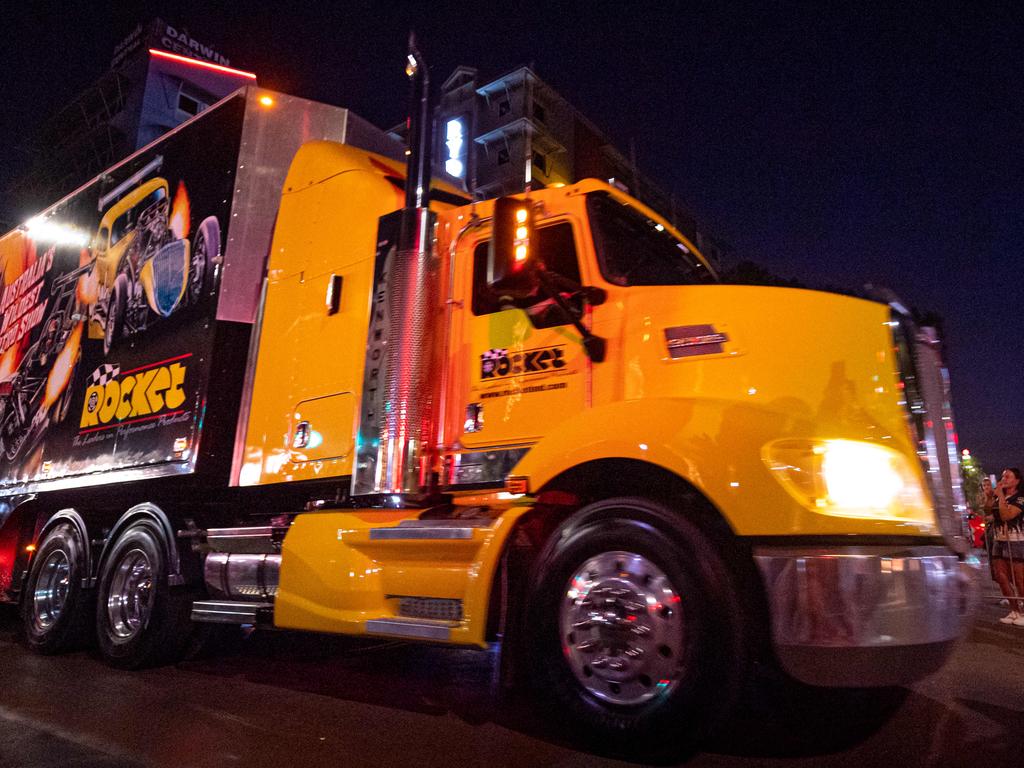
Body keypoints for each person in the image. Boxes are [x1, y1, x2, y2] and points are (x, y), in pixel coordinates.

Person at [988, 468, 1024, 626]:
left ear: (1017, 481)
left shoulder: (1020, 498)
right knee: (1001, 576)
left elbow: (1007, 515)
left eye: (1008, 477)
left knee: (1019, 578)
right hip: (999, 539)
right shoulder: (1000, 497)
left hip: (1016, 540)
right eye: (1003, 476)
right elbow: (987, 509)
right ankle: (1015, 610)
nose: (1004, 479)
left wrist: (1001, 496)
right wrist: (990, 495)